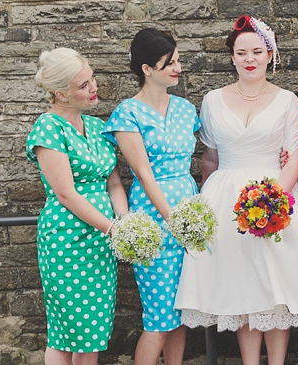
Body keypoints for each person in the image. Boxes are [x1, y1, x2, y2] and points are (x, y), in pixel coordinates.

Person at [174, 15, 298, 365]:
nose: (249, 59)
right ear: (232, 57)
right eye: (241, 52)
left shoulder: (287, 100)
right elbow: (210, 159)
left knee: (277, 288)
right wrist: (205, 202)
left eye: (257, 51)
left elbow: (295, 156)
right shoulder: (212, 100)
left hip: (276, 195)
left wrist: (275, 200)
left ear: (270, 54)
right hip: (225, 199)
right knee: (241, 286)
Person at [102, 28, 199, 365]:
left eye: (178, 60)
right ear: (147, 69)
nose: (178, 68)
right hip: (156, 221)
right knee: (158, 317)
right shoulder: (128, 113)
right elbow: (143, 173)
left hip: (189, 209)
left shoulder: (187, 110)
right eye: (169, 63)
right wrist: (176, 223)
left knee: (182, 313)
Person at [26, 48, 128, 365]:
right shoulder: (48, 129)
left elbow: (113, 184)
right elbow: (67, 194)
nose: (94, 87)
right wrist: (112, 228)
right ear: (61, 94)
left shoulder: (98, 128)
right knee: (68, 335)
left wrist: (124, 222)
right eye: (84, 85)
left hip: (102, 243)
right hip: (67, 242)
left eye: (92, 78)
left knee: (92, 334)